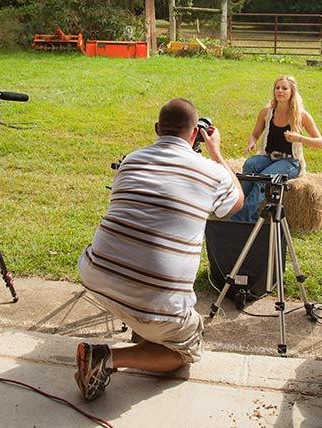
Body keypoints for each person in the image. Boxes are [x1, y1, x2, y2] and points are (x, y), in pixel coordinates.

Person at [75, 98, 243, 401]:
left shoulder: (132, 160)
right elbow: (235, 203)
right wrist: (217, 152)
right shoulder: (211, 172)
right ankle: (106, 357)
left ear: (157, 129)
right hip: (154, 302)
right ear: (196, 135)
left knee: (140, 294)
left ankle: (142, 326)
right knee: (186, 352)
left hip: (95, 278)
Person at [229, 75, 322, 222]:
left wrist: (299, 138)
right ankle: (240, 208)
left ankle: (241, 217)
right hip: (269, 157)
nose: (280, 91)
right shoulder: (267, 112)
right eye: (277, 88)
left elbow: (320, 143)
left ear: (292, 92)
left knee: (264, 178)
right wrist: (252, 143)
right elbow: (255, 134)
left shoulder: (301, 115)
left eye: (285, 88)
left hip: (291, 162)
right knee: (249, 165)